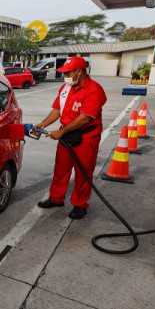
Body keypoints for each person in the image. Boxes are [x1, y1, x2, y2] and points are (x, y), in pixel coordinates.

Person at [34, 56, 107, 220]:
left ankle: (80, 205)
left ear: (79, 72)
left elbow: (85, 118)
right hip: (67, 134)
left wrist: (60, 132)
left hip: (86, 136)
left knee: (83, 172)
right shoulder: (66, 88)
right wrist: (43, 124)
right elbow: (56, 110)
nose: (65, 76)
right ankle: (56, 198)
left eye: (68, 72)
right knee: (61, 168)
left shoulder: (94, 90)